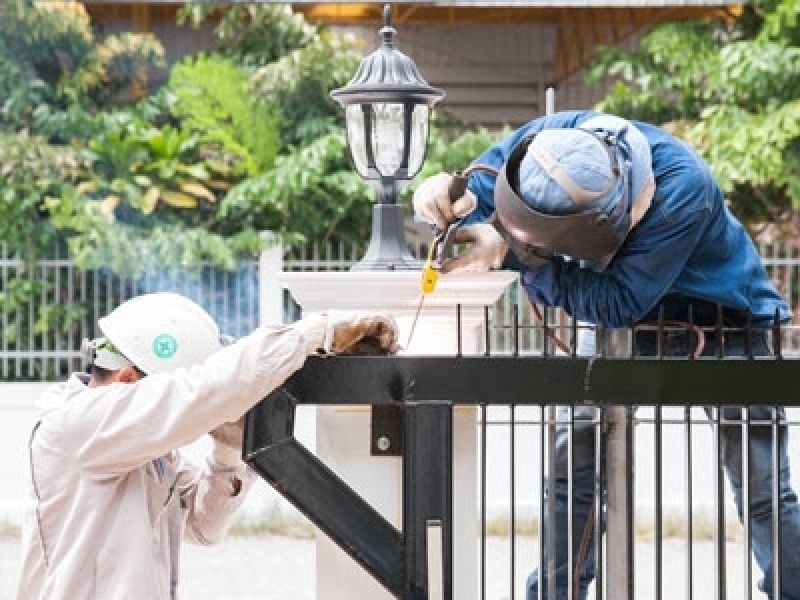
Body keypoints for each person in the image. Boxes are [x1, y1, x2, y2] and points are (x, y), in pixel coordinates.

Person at [413, 111, 800, 599]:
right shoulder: (549, 143)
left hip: (724, 325)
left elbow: (616, 302)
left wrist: (510, 255)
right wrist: (447, 198)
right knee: (571, 466)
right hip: (625, 325)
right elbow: (485, 182)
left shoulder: (684, 190)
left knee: (762, 487)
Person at [15, 292, 399, 600]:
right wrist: (312, 334)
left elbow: (203, 526)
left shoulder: (140, 452)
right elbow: (198, 393)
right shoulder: (77, 425)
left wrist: (226, 455)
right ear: (129, 378)